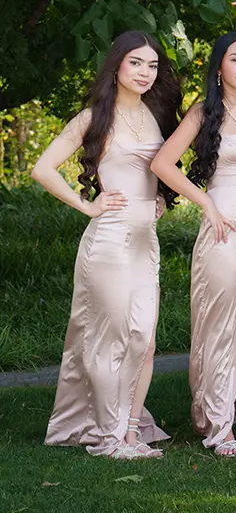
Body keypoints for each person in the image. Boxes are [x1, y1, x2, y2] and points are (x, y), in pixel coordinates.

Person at [32, 31, 181, 459]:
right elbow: (43, 169)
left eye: (152, 65)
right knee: (109, 339)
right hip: (110, 241)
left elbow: (158, 169)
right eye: (136, 63)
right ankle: (108, 437)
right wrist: (87, 205)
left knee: (144, 339)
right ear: (116, 66)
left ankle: (131, 433)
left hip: (145, 241)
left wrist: (157, 198)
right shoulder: (93, 117)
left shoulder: (156, 115)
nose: (145, 72)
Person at [152, 32, 236, 456]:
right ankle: (219, 423)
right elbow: (162, 163)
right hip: (222, 225)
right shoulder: (203, 112)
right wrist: (205, 203)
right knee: (220, 324)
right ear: (219, 67)